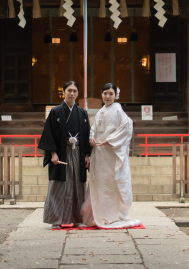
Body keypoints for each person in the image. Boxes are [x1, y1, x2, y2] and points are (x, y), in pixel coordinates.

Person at [81, 83, 141, 229]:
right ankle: (96, 215)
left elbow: (127, 126)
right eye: (105, 93)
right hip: (99, 153)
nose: (107, 96)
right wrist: (91, 138)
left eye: (111, 94)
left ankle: (112, 216)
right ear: (101, 94)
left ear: (116, 95)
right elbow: (94, 128)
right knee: (99, 184)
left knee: (111, 184)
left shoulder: (118, 110)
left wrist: (111, 140)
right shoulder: (101, 111)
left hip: (111, 153)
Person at [37, 81, 92, 229]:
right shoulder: (55, 112)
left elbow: (86, 135)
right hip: (61, 153)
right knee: (59, 186)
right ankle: (56, 219)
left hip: (78, 153)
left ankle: (78, 219)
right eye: (69, 90)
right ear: (63, 92)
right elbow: (49, 134)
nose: (72, 93)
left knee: (78, 186)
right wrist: (53, 153)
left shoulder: (82, 113)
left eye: (75, 91)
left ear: (78, 93)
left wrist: (87, 155)